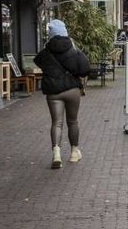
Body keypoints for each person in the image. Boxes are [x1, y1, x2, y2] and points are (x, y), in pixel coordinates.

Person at [34, 19, 91, 169]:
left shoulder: (45, 52)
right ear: (65, 32)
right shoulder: (73, 49)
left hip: (53, 92)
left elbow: (37, 61)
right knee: (72, 121)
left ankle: (56, 154)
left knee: (56, 123)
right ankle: (74, 152)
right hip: (72, 90)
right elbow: (85, 69)